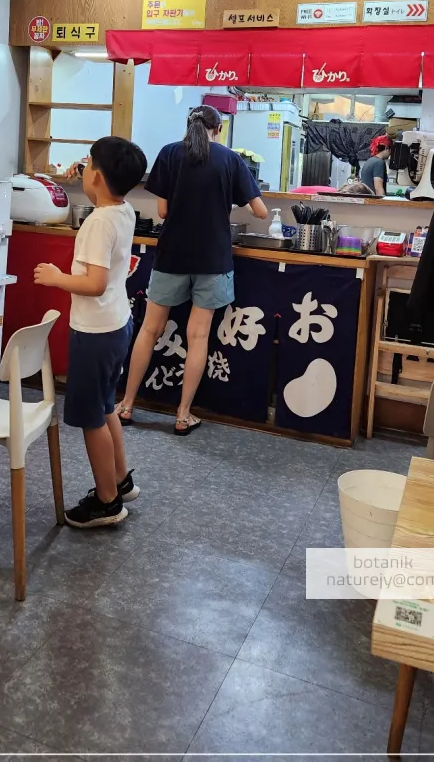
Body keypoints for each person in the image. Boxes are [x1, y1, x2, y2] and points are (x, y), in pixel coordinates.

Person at [116, 105, 268, 435]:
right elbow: (260, 211)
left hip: (172, 255)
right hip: (212, 259)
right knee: (198, 336)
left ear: (188, 126)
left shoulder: (169, 153)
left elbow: (162, 210)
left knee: (149, 329)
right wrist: (230, 200)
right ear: (219, 129)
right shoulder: (231, 159)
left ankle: (126, 405)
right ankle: (183, 415)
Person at [34, 135, 147, 529]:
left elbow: (95, 283)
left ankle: (107, 501)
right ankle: (119, 479)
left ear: (96, 176)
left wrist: (56, 277)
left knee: (91, 417)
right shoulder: (123, 210)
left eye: (88, 163)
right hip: (116, 324)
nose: (83, 168)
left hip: (96, 332)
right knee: (104, 406)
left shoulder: (98, 223)